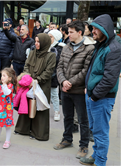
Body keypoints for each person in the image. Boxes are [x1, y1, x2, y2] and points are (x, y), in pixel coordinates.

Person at [80, 14, 121, 166]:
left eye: (96, 29)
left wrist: (95, 95)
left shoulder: (114, 48)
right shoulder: (101, 44)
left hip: (101, 98)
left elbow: (110, 79)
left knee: (101, 132)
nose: (93, 31)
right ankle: (96, 155)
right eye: (92, 28)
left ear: (105, 29)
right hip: (93, 95)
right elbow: (94, 71)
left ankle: (100, 162)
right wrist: (88, 89)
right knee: (95, 129)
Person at [54, 20, 95, 159]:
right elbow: (59, 66)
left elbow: (86, 71)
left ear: (79, 32)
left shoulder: (89, 48)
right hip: (65, 90)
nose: (68, 34)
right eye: (68, 31)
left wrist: (69, 82)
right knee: (68, 117)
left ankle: (83, 146)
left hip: (78, 90)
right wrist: (63, 81)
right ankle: (67, 139)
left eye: (71, 32)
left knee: (83, 120)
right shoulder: (66, 47)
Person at [14, 33, 56, 141]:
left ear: (44, 43)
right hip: (29, 84)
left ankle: (38, 133)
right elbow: (26, 66)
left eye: (38, 42)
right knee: (27, 105)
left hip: (42, 85)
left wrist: (37, 81)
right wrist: (28, 78)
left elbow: (48, 72)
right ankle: (23, 129)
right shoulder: (32, 53)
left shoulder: (50, 56)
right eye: (35, 41)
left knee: (40, 108)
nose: (36, 44)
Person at [48, 30, 63, 121]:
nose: (49, 39)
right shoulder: (45, 46)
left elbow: (58, 61)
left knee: (54, 94)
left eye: (51, 37)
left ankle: (56, 111)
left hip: (54, 74)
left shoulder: (59, 48)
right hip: (45, 74)